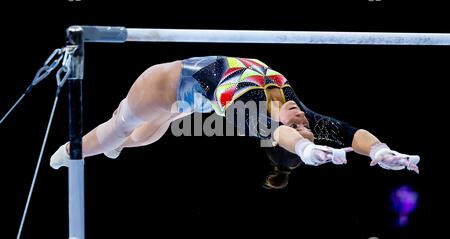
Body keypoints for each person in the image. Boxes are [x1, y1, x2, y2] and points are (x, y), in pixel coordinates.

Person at [50, 56, 420, 189]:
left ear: (279, 137)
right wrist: (381, 151)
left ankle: (71, 150)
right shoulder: (293, 106)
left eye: (300, 130)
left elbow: (277, 132)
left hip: (163, 89)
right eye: (308, 127)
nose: (304, 121)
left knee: (122, 130)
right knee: (137, 134)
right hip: (182, 93)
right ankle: (111, 144)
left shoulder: (251, 116)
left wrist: (306, 148)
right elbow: (348, 133)